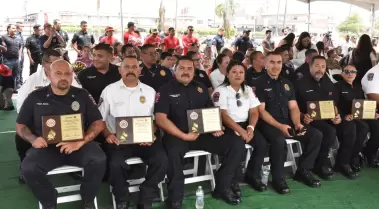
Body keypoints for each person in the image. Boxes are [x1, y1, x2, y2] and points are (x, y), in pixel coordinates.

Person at [155, 56, 245, 208]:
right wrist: (183, 135)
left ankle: (222, 186)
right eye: (182, 68)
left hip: (203, 134)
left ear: (194, 71)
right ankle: (175, 197)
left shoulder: (201, 88)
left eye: (190, 68)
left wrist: (215, 126)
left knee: (236, 144)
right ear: (174, 70)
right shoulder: (165, 89)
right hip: (177, 135)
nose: (186, 72)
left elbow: (210, 110)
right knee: (172, 154)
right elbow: (160, 119)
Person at [16, 60, 106, 209]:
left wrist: (81, 142)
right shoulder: (35, 97)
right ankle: (49, 200)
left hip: (77, 145)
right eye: (58, 73)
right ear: (49, 75)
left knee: (98, 159)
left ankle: (88, 197)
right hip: (47, 147)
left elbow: (98, 123)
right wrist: (33, 139)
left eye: (68, 73)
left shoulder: (82, 95)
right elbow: (21, 125)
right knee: (29, 168)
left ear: (72, 76)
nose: (63, 77)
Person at [99, 56, 167, 209]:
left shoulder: (150, 92)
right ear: (120, 70)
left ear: (140, 70)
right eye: (127, 67)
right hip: (118, 139)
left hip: (145, 139)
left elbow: (155, 119)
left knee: (161, 160)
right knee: (115, 164)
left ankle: (146, 195)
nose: (131, 70)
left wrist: (151, 133)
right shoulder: (109, 91)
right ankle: (122, 197)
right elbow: (100, 119)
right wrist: (108, 135)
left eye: (134, 67)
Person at [255, 52, 322, 192]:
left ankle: (303, 171)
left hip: (288, 121)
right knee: (279, 140)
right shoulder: (258, 83)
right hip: (267, 123)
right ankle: (278, 178)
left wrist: (297, 123)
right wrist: (280, 126)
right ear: (265, 64)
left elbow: (293, 107)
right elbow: (261, 111)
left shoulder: (287, 83)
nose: (276, 66)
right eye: (272, 62)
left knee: (315, 135)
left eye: (279, 62)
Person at [16, 49, 82, 183]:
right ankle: (24, 166)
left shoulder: (69, 77)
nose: (57, 66)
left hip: (64, 121)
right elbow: (21, 105)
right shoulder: (33, 80)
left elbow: (80, 98)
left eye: (60, 62)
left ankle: (74, 167)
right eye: (53, 63)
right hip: (38, 124)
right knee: (21, 136)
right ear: (43, 63)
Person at [294, 56, 356, 179]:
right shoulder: (299, 83)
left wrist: (337, 115)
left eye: (323, 67)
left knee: (350, 127)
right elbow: (293, 106)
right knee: (329, 131)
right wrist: (302, 116)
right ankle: (320, 165)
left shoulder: (328, 82)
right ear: (310, 66)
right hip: (309, 119)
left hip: (327, 117)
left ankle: (343, 162)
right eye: (317, 66)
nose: (320, 69)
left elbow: (333, 104)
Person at [211, 60, 267, 196]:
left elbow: (254, 111)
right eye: (234, 72)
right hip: (228, 126)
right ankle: (232, 182)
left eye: (241, 72)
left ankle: (253, 176)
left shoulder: (247, 90)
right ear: (227, 74)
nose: (238, 75)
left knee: (262, 144)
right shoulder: (221, 91)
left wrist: (251, 128)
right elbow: (223, 115)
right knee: (237, 148)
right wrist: (240, 131)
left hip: (245, 125)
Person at [335, 65, 379, 170]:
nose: (350, 74)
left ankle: (368, 153)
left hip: (360, 116)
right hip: (346, 117)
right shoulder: (337, 86)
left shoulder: (358, 86)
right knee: (363, 127)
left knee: (378, 126)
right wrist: (343, 116)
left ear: (356, 74)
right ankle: (353, 157)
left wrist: (372, 113)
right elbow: (334, 105)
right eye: (346, 71)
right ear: (342, 73)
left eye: (353, 71)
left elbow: (363, 104)